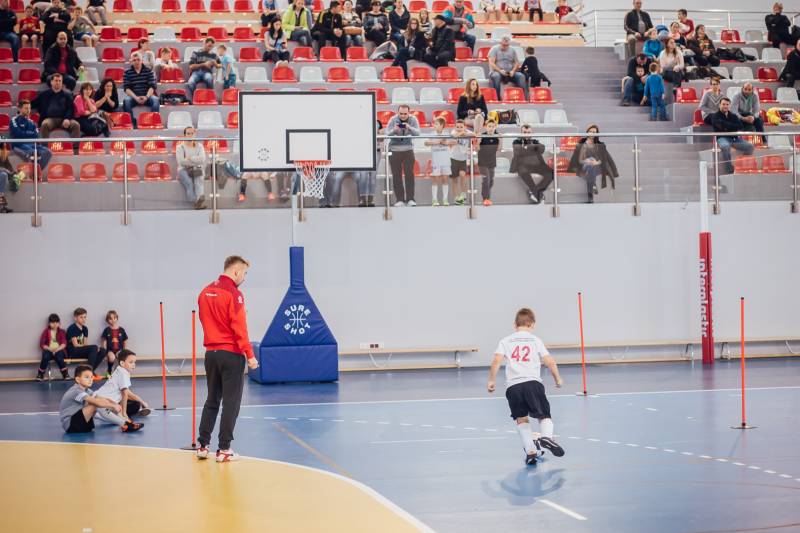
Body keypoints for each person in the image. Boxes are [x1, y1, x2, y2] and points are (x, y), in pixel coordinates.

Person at [196, 256, 259, 463]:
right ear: (236, 271)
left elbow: (205, 320)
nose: (244, 278)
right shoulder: (234, 294)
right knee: (231, 402)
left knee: (212, 399)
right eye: (244, 273)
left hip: (211, 354)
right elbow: (240, 328)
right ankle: (224, 449)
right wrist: (250, 355)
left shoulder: (204, 292)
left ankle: (203, 445)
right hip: (231, 355)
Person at [486, 308, 564, 466]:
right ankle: (546, 438)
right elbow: (549, 361)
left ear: (515, 325)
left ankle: (531, 452)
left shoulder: (506, 341)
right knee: (544, 415)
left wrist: (491, 380)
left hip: (513, 387)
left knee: (521, 418)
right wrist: (558, 378)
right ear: (533, 325)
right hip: (532, 383)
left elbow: (496, 361)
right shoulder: (535, 340)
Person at [59, 364, 142, 434]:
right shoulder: (75, 391)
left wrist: (114, 404)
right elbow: (97, 402)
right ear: (77, 379)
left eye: (91, 377)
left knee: (100, 402)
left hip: (82, 424)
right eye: (86, 377)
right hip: (70, 425)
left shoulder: (87, 390)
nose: (90, 380)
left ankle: (126, 422)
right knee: (96, 404)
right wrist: (112, 406)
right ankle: (125, 424)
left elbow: (101, 398)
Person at [94, 350, 150, 427]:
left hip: (100, 399)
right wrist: (124, 413)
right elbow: (125, 394)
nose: (133, 365)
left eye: (134, 362)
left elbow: (128, 393)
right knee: (132, 408)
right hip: (103, 403)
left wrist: (141, 401)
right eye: (131, 362)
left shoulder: (120, 370)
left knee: (136, 403)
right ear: (122, 363)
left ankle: (107, 414)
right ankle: (102, 415)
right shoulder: (123, 373)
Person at [567, 124, 619, 203]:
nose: (592, 133)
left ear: (597, 133)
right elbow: (579, 160)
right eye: (590, 131)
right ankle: (593, 185)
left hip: (597, 167)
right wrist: (587, 161)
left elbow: (604, 159)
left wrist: (596, 162)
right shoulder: (582, 144)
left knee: (591, 167)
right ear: (587, 132)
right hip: (584, 166)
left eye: (594, 132)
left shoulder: (600, 145)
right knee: (589, 165)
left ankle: (590, 195)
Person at [386, 104, 420, 206]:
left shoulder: (413, 119)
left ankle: (410, 199)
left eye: (405, 114)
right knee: (396, 176)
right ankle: (399, 200)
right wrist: (394, 130)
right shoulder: (393, 119)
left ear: (409, 113)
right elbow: (387, 133)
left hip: (408, 150)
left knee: (409, 175)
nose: (403, 116)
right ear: (398, 112)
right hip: (394, 150)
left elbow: (418, 133)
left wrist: (409, 127)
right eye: (401, 114)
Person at [511, 123, 553, 204]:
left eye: (528, 132)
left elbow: (542, 148)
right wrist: (533, 148)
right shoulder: (516, 141)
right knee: (523, 172)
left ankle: (533, 191)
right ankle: (537, 194)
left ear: (532, 133)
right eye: (524, 132)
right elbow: (518, 151)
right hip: (523, 166)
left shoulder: (535, 141)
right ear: (521, 133)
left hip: (537, 165)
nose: (527, 134)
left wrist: (527, 148)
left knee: (551, 173)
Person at [711, 97, 754, 175]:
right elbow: (719, 126)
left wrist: (725, 125)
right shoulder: (715, 116)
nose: (725, 106)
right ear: (719, 105)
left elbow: (740, 126)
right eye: (723, 104)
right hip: (722, 138)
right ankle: (730, 170)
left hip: (735, 139)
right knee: (725, 146)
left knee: (750, 146)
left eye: (727, 104)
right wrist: (732, 126)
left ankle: (742, 163)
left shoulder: (733, 116)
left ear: (729, 105)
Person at [32, 73, 81, 139]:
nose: (58, 82)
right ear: (51, 82)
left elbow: (70, 108)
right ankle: (44, 145)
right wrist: (22, 105)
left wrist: (67, 118)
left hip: (64, 119)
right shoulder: (43, 94)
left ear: (62, 82)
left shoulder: (68, 94)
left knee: (76, 125)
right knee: (44, 124)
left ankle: (75, 145)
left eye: (59, 81)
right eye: (56, 80)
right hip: (50, 119)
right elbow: (33, 103)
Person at [10, 100, 53, 172]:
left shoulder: (32, 122)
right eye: (26, 108)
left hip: (32, 144)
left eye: (29, 108)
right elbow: (18, 134)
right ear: (20, 109)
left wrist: (24, 133)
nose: (28, 110)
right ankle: (35, 172)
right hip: (19, 145)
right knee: (33, 152)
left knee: (48, 152)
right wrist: (30, 133)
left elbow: (36, 135)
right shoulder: (14, 120)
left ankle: (37, 171)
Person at [66, 307, 106, 378]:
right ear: (75, 318)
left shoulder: (85, 329)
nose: (83, 319)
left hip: (81, 350)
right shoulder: (72, 328)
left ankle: (89, 371)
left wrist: (95, 350)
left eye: (85, 317)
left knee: (103, 350)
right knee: (94, 347)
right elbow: (76, 345)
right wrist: (93, 348)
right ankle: (89, 372)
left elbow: (85, 344)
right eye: (81, 317)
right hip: (73, 351)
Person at [123, 52, 158, 127]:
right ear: (131, 61)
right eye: (134, 60)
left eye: (138, 59)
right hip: (133, 97)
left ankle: (153, 122)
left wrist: (146, 97)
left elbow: (152, 87)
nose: (136, 62)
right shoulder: (127, 72)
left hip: (147, 96)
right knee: (126, 101)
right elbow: (127, 89)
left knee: (155, 100)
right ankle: (132, 123)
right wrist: (136, 98)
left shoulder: (149, 71)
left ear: (142, 60)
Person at [488, 35, 527, 101]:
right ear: (500, 43)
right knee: (496, 76)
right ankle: (497, 98)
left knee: (521, 76)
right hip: (497, 71)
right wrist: (500, 71)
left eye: (507, 45)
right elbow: (491, 63)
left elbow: (517, 62)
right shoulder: (494, 49)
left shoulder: (512, 50)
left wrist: (513, 71)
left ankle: (522, 97)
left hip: (510, 72)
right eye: (503, 45)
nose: (505, 47)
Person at [177, 126, 207, 210]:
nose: (190, 135)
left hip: (196, 168)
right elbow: (181, 162)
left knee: (199, 179)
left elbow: (202, 159)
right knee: (189, 182)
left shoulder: (200, 146)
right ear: (184, 135)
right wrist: (195, 160)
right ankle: (196, 201)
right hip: (183, 169)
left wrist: (190, 158)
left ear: (194, 134)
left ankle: (199, 200)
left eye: (192, 133)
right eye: (188, 133)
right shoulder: (180, 147)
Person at [426, 115, 453, 206]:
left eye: (436, 124)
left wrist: (446, 142)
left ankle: (445, 199)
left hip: (446, 161)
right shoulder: (432, 133)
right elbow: (426, 143)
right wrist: (437, 142)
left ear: (442, 125)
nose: (434, 125)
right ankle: (434, 200)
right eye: (434, 123)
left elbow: (454, 142)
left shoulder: (447, 133)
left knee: (445, 179)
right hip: (436, 161)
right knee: (435, 179)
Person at [37, 313, 70, 381]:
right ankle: (40, 374)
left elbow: (64, 344)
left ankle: (65, 373)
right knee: (45, 357)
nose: (55, 324)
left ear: (59, 323)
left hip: (59, 350)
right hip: (49, 350)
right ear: (49, 323)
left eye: (56, 322)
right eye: (52, 322)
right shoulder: (46, 331)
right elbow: (42, 344)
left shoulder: (62, 332)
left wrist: (56, 350)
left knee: (59, 357)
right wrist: (51, 350)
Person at [449, 119, 472, 206]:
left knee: (462, 175)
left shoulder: (467, 132)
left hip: (463, 159)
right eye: (457, 127)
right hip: (453, 158)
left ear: (464, 127)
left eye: (461, 127)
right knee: (454, 179)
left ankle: (463, 194)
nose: (459, 128)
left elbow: (474, 134)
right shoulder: (453, 132)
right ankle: (456, 198)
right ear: (455, 127)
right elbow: (455, 135)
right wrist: (463, 133)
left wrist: (465, 133)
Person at [477, 118, 500, 206]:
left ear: (495, 127)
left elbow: (499, 150)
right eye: (489, 126)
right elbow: (477, 149)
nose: (491, 128)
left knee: (491, 181)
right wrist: (478, 141)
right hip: (482, 162)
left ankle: (486, 195)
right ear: (486, 127)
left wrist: (501, 140)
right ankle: (486, 199)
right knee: (486, 179)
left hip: (492, 162)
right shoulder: (482, 136)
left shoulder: (496, 136)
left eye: (492, 127)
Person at [100, 310, 128, 378]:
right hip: (110, 350)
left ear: (117, 318)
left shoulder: (121, 330)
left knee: (121, 359)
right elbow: (104, 341)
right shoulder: (106, 330)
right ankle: (109, 371)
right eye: (110, 318)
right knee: (112, 358)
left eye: (114, 318)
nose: (113, 320)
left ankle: (117, 372)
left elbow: (125, 340)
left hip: (119, 349)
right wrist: (104, 351)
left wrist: (124, 350)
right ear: (107, 320)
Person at [0, 143, 16, 214]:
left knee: (12, 177)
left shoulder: (3, 154)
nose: (5, 145)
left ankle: (2, 206)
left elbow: (8, 165)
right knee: (3, 175)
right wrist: (5, 170)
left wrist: (13, 171)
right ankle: (2, 206)